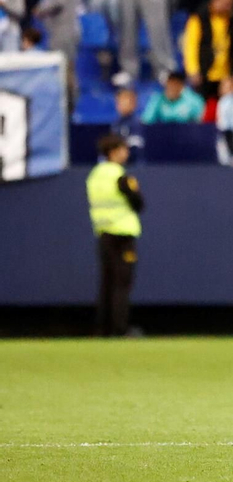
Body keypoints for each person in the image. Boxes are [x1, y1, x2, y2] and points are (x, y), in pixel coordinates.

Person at [87, 133, 143, 337]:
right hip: (123, 234)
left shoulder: (94, 175)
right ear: (113, 152)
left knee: (106, 281)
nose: (126, 153)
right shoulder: (120, 176)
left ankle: (103, 328)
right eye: (123, 149)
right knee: (122, 282)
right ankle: (121, 328)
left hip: (103, 233)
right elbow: (138, 203)